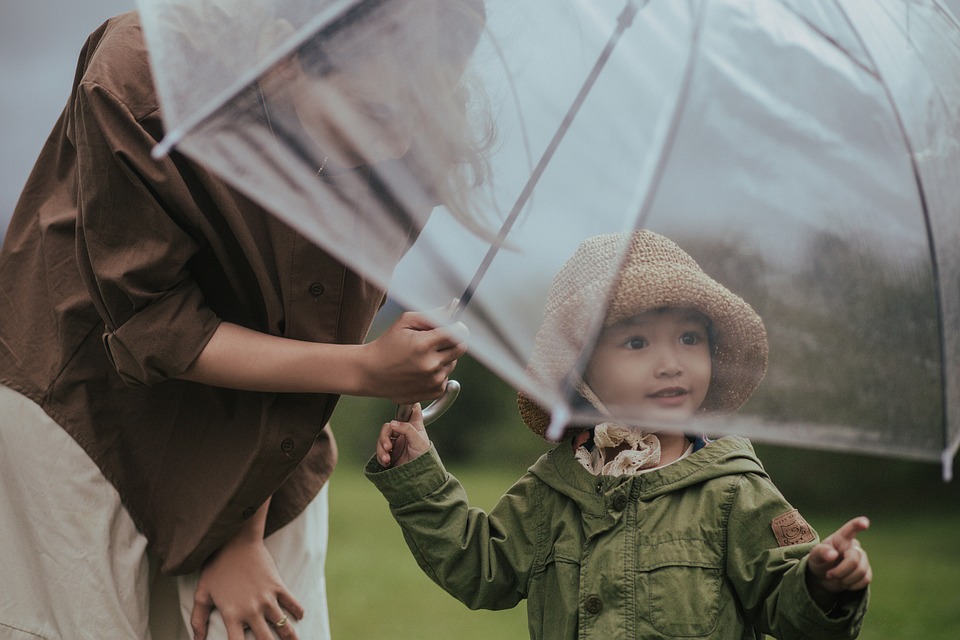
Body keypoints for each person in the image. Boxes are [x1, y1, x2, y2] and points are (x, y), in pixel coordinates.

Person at [0, 1, 487, 639]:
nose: (395, 145)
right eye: (374, 114)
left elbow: (317, 331)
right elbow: (151, 321)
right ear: (283, 57)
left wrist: (242, 528)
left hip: (274, 413)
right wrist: (369, 369)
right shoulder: (141, 75)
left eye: (422, 114)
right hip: (87, 395)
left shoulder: (415, 139)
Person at [366, 229, 872, 640]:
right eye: (636, 341)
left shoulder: (732, 489)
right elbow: (481, 566)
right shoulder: (555, 486)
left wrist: (823, 585)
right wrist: (419, 477)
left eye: (689, 338)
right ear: (580, 371)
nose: (671, 363)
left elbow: (786, 606)